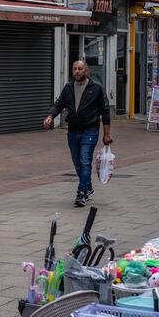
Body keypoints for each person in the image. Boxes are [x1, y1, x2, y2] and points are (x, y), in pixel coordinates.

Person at [44, 60, 113, 207]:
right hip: (73, 130)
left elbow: (105, 111)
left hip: (90, 129)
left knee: (84, 160)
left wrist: (106, 134)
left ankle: (81, 193)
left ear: (86, 70)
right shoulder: (68, 88)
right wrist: (50, 116)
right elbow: (59, 104)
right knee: (77, 163)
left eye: (80, 69)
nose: (77, 71)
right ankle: (88, 187)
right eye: (74, 69)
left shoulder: (96, 88)